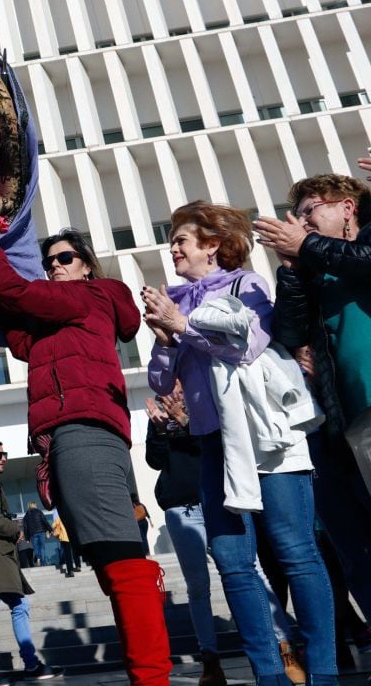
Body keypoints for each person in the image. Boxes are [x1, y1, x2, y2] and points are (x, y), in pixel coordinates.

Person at [145, 200, 337, 686]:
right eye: (172, 243)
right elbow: (161, 381)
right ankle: (268, 674)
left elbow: (248, 347)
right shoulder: (175, 301)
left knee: (295, 552)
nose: (174, 250)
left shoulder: (245, 284)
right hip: (213, 442)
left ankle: (325, 672)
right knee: (232, 563)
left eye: (181, 241)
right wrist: (168, 342)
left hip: (266, 438)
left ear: (211, 246)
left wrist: (183, 327)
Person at [0, 225, 170, 684]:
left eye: (64, 258)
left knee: (120, 559)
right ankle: (148, 672)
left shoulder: (97, 294)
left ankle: (152, 678)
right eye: (49, 262)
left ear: (86, 263)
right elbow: (22, 343)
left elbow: (17, 291)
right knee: (110, 560)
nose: (55, 267)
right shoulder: (56, 318)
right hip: (69, 435)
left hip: (84, 430)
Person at [254, 171, 371, 625]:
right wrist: (290, 268)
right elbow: (290, 331)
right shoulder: (311, 266)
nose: (301, 222)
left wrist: (305, 245)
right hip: (348, 417)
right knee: (356, 545)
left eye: (310, 211)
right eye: (297, 216)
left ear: (348, 207)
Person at [144, 382, 226, 686]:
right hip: (181, 508)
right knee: (197, 586)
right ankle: (210, 659)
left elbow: (211, 449)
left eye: (178, 386)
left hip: (216, 501)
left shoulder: (204, 405)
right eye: (169, 389)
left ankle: (277, 644)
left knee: (241, 572)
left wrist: (184, 421)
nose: (175, 393)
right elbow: (155, 461)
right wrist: (162, 429)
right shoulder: (160, 420)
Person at [0, 443, 58, 682]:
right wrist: (14, 528)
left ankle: (25, 664)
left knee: (16, 606)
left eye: (5, 454)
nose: (3, 459)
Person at [21, 502, 52, 567]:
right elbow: (44, 521)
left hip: (33, 534)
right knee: (42, 548)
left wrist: (27, 538)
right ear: (35, 506)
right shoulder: (39, 512)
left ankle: (38, 557)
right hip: (41, 532)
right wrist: (50, 530)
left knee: (36, 548)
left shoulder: (26, 515)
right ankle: (43, 563)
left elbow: (25, 527)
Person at [51, 512, 78, 578]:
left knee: (67, 555)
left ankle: (70, 571)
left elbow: (53, 525)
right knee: (74, 552)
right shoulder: (71, 516)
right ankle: (77, 566)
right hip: (72, 537)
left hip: (64, 538)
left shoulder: (60, 517)